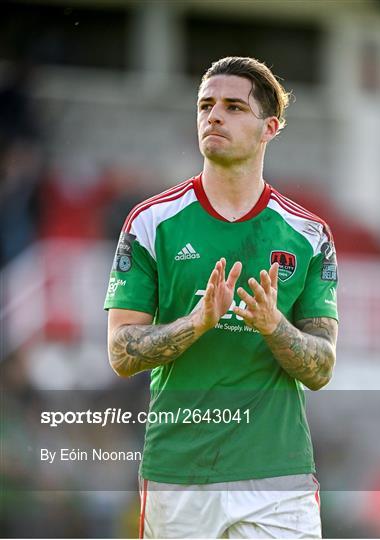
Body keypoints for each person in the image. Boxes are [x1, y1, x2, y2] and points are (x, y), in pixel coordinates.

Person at [104, 56, 338, 539]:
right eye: (206, 105)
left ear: (269, 127)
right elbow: (120, 352)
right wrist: (195, 322)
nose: (214, 116)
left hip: (278, 476)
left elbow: (321, 368)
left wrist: (274, 325)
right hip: (179, 475)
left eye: (234, 107)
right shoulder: (150, 223)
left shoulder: (309, 235)